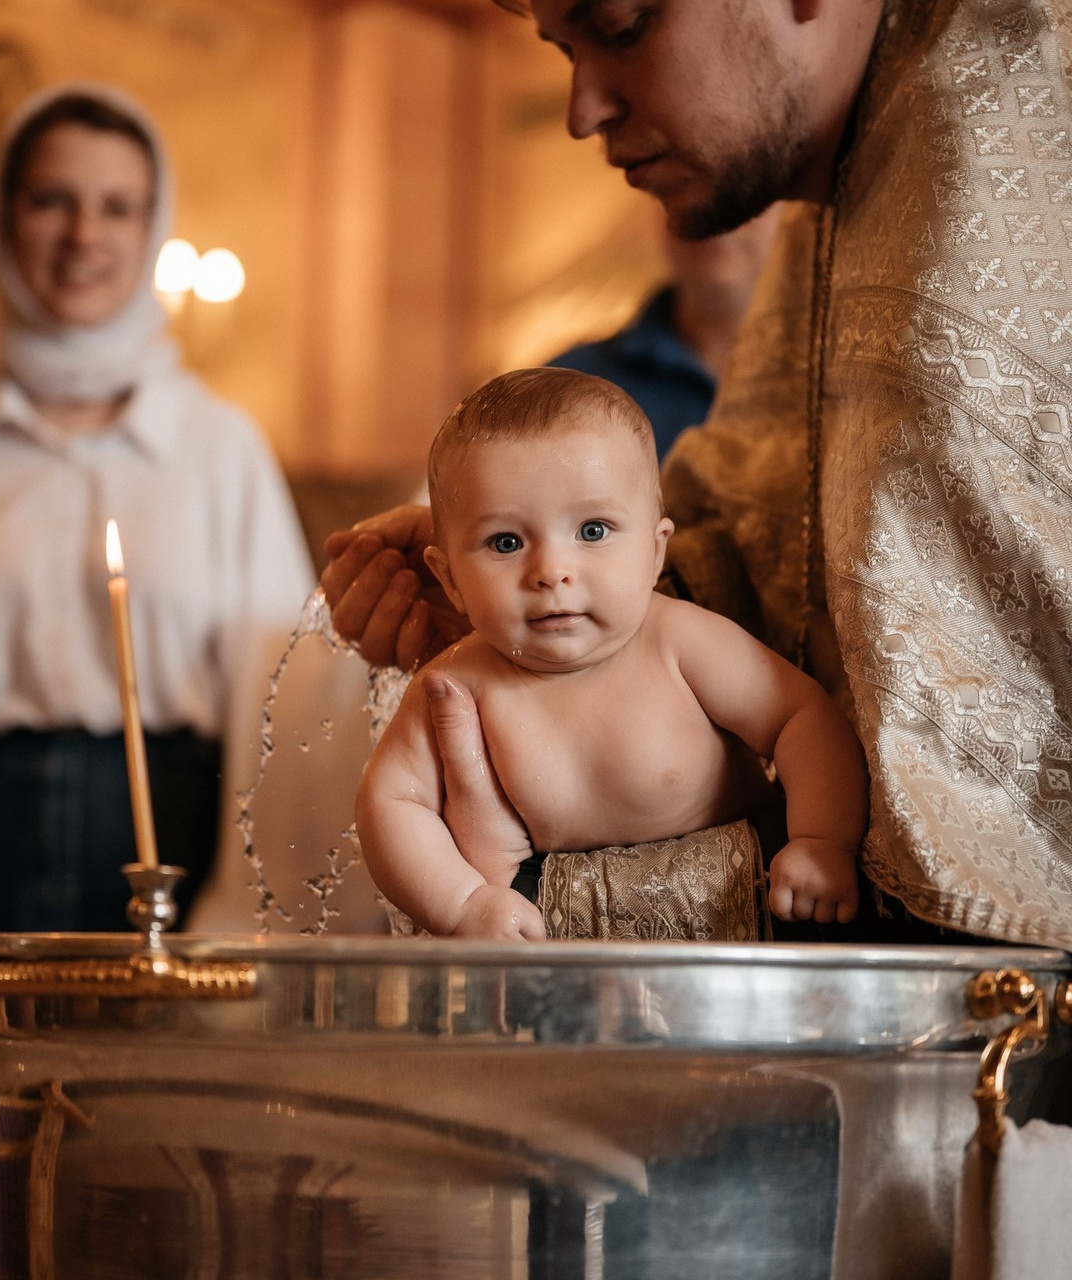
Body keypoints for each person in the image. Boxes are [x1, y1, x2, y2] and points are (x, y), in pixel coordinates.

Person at [324, 0, 1072, 951]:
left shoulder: (1034, 74)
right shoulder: (827, 203)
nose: (581, 110)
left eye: (623, 26)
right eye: (562, 52)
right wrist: (512, 602)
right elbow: (772, 528)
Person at [0, 83, 316, 1269]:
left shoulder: (220, 447)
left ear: (152, 227)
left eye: (118, 207)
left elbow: (286, 693)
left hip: (171, 843)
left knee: (140, 1188)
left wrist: (255, 904)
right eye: (53, 201)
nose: (84, 235)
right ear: (3, 218)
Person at [356, 368, 867, 939]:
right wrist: (465, 903)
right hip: (553, 906)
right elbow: (392, 801)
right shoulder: (456, 680)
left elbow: (801, 718)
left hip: (749, 889)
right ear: (449, 579)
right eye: (506, 542)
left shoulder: (680, 641)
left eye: (593, 531)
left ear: (655, 552)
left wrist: (821, 840)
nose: (551, 571)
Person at [548, 205, 782, 459]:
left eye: (746, 198)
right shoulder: (565, 387)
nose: (714, 219)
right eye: (687, 184)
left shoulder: (825, 382)